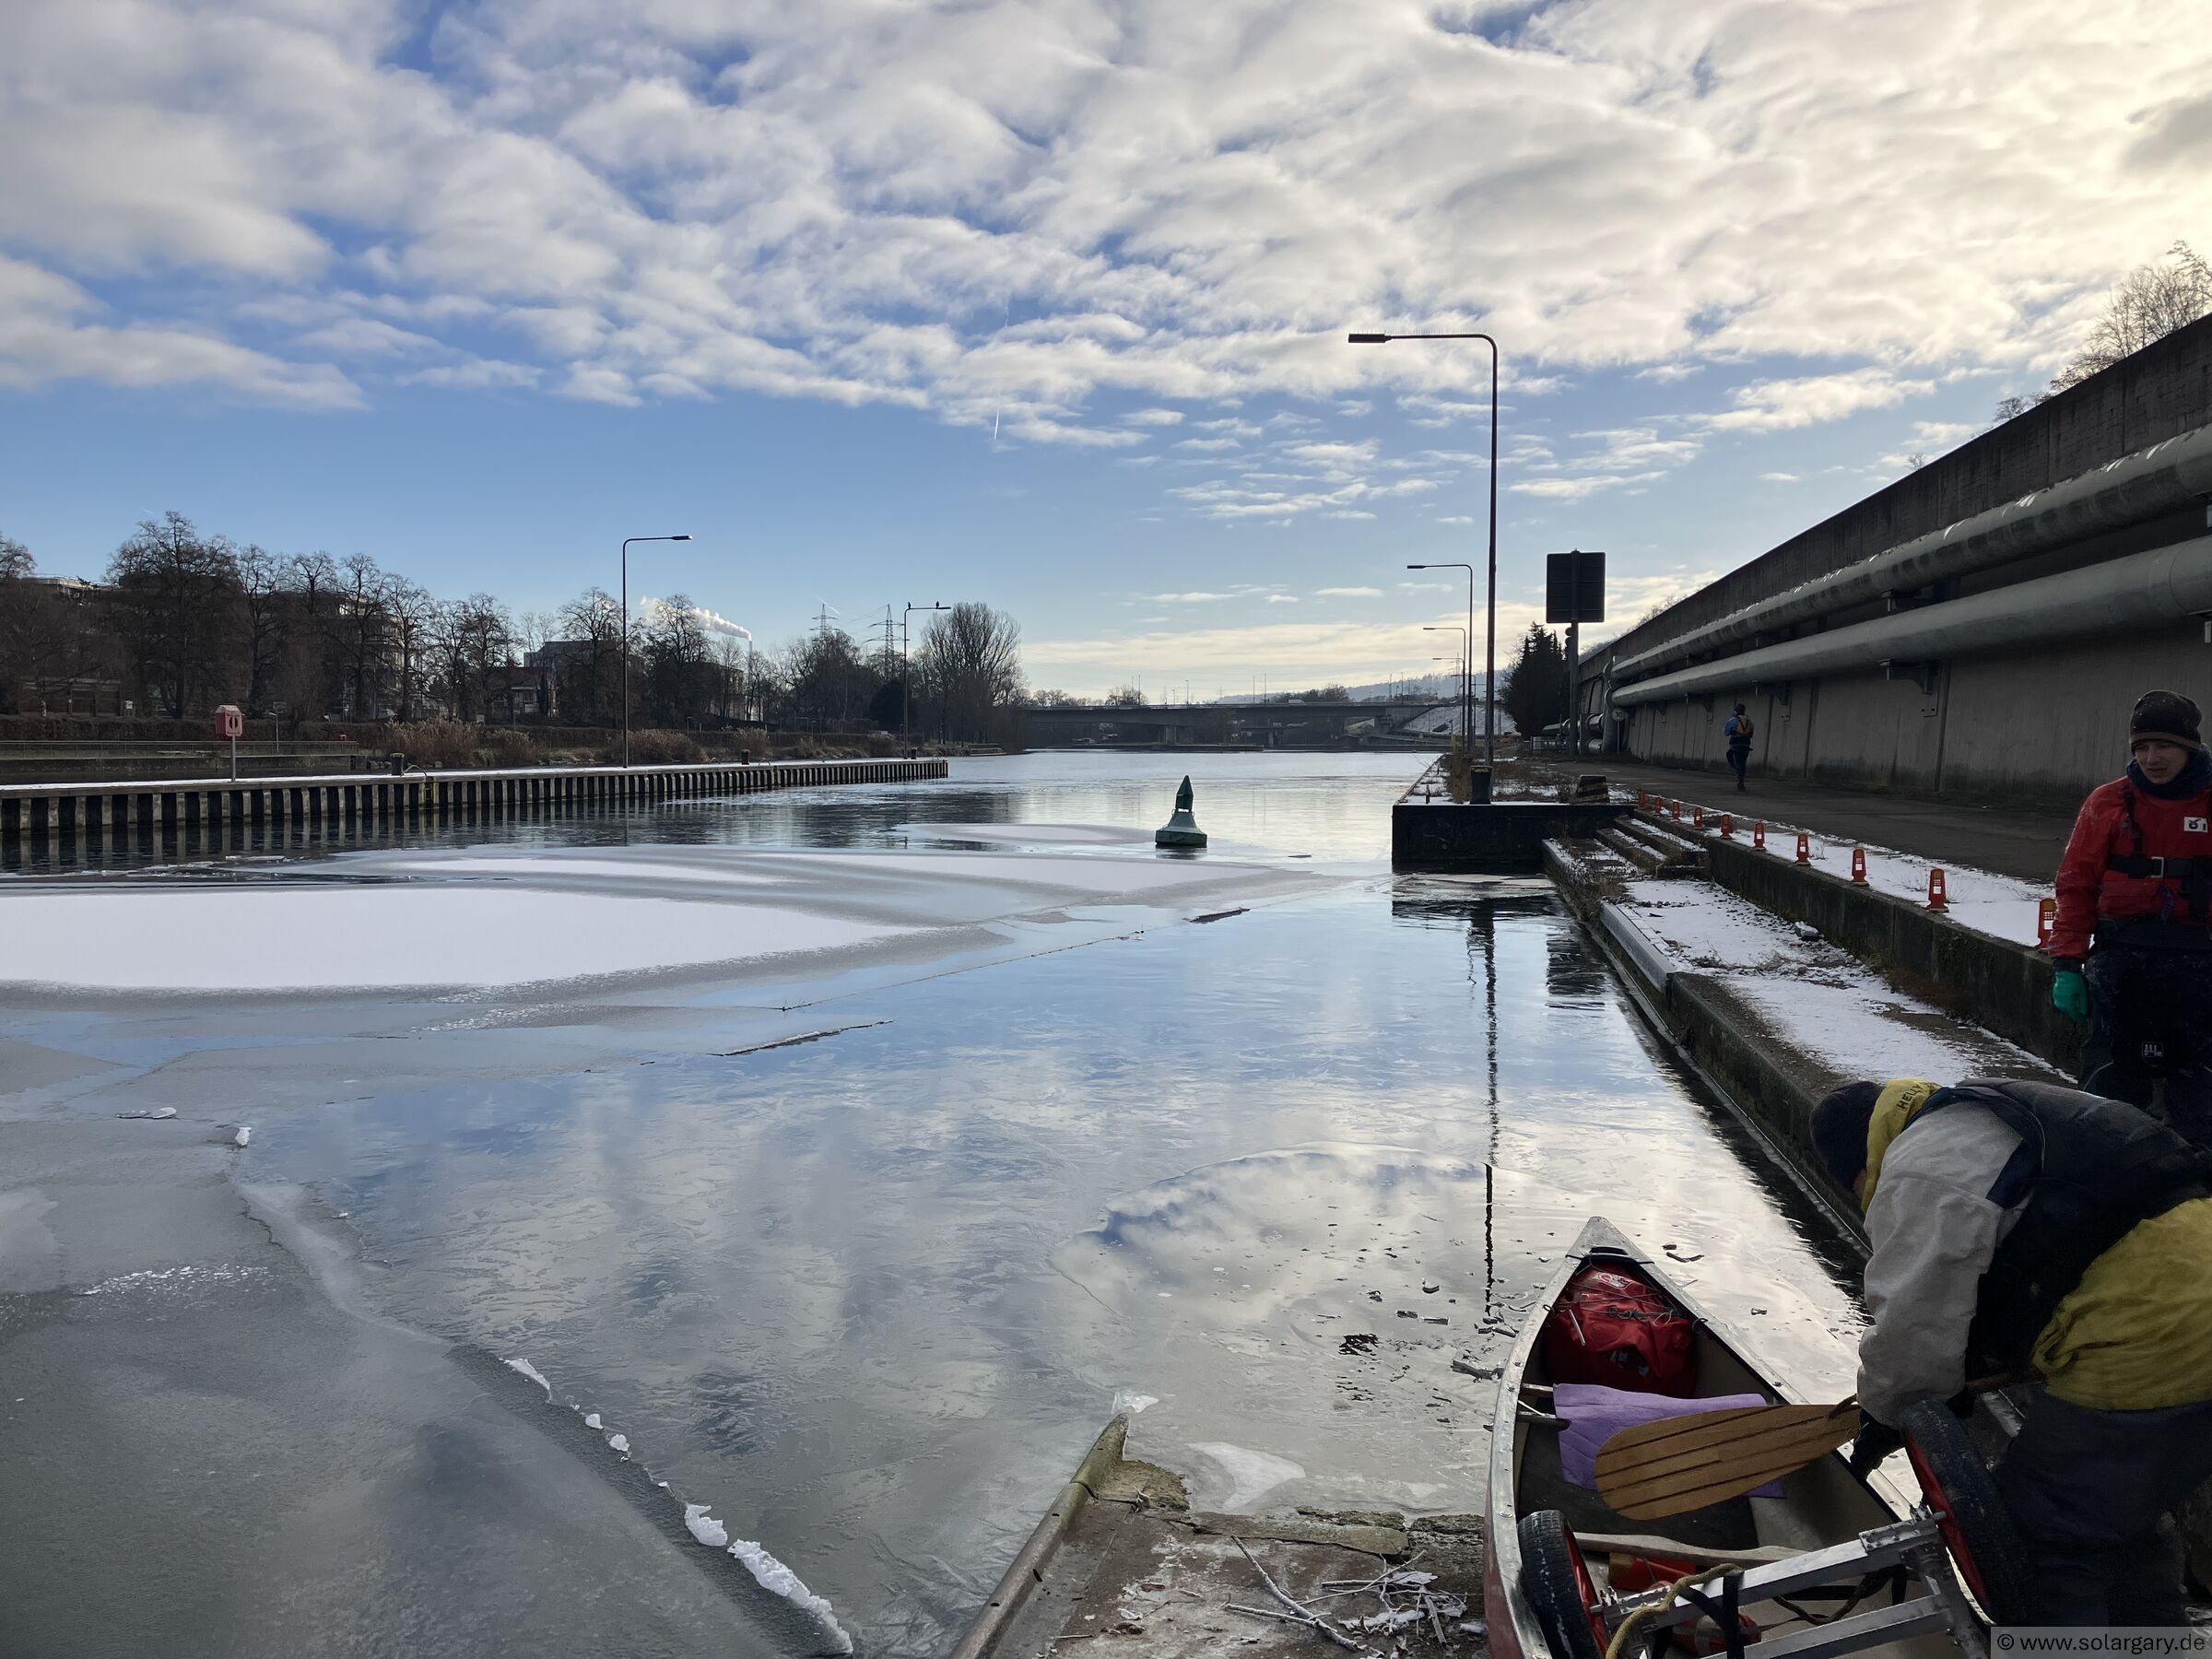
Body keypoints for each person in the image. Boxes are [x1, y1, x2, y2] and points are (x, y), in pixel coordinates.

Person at [1809, 1076, 2212, 1627]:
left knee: (2032, 1532)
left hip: (2155, 1338)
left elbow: (1912, 1334)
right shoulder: (1988, 1118)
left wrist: (1884, 1416)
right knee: (2113, 1516)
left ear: (1857, 1166)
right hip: (2185, 1311)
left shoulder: (1918, 1168)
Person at [2049, 689, 2212, 1140]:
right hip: (2121, 959)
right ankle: (2100, 1160)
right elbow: (2076, 886)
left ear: (2189, 747)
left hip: (2200, 964)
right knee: (2108, 1086)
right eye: (2142, 747)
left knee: (2198, 1091)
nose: (2151, 758)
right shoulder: (2107, 803)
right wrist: (2067, 964)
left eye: (2164, 746)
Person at [1723, 702, 1753, 792]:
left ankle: (1739, 775)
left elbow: (1726, 733)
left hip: (1735, 745)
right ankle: (1741, 777)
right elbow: (1751, 734)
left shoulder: (1733, 720)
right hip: (1746, 745)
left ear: (1736, 711)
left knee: (1731, 757)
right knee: (1743, 762)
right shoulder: (1749, 721)